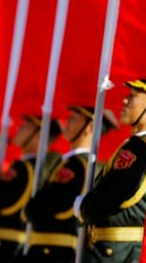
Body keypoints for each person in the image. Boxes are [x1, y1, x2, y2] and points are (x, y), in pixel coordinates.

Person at [74, 80, 146, 263]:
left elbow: (110, 195)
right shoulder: (143, 146)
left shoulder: (138, 148)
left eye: (133, 96)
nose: (124, 101)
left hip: (115, 252)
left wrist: (83, 207)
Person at [21, 106, 119, 263]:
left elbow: (43, 205)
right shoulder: (71, 162)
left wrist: (30, 210)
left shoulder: (78, 165)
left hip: (53, 253)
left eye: (74, 118)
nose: (67, 122)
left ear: (89, 128)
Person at [0, 115, 61, 263]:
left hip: (1, 248)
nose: (19, 128)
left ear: (38, 136)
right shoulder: (33, 167)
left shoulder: (23, 169)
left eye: (26, 126)